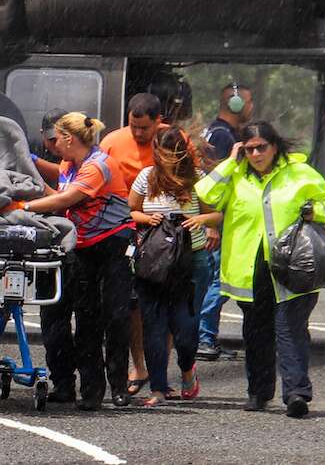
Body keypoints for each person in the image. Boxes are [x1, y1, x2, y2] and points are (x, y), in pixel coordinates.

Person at [195, 120, 325, 418]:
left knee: (290, 330)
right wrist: (229, 163)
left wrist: (314, 211)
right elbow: (206, 194)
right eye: (249, 149)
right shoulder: (236, 176)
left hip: (294, 267)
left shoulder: (300, 173)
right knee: (256, 333)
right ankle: (258, 392)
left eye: (262, 147)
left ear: (275, 147)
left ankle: (297, 392)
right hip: (250, 270)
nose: (256, 154)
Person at [14, 112, 135, 410]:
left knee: (116, 316)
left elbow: (65, 200)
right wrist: (26, 167)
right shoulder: (71, 165)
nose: (53, 144)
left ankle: (118, 385)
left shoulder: (99, 165)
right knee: (87, 318)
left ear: (69, 138)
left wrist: (20, 206)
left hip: (112, 245)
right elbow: (60, 192)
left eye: (57, 137)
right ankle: (91, 391)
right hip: (83, 246)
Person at [129, 127, 222, 406]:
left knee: (185, 327)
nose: (166, 160)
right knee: (154, 325)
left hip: (190, 259)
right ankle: (158, 388)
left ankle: (187, 368)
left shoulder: (197, 178)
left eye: (171, 154)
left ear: (182, 152)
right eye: (161, 153)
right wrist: (147, 219)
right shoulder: (146, 176)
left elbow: (216, 213)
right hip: (154, 260)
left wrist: (202, 222)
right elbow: (131, 210)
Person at [100, 92, 165, 394]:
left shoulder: (172, 141)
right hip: (125, 229)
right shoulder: (112, 141)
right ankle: (137, 365)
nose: (138, 134)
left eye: (145, 129)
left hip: (164, 235)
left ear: (158, 122)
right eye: (133, 127)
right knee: (132, 303)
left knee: (164, 301)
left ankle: (159, 367)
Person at [197, 82, 254, 361]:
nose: (251, 108)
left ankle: (205, 336)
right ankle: (204, 337)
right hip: (220, 218)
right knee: (220, 279)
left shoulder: (217, 131)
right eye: (248, 102)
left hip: (218, 217)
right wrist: (211, 223)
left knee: (216, 278)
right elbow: (214, 178)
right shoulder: (223, 136)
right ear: (236, 104)